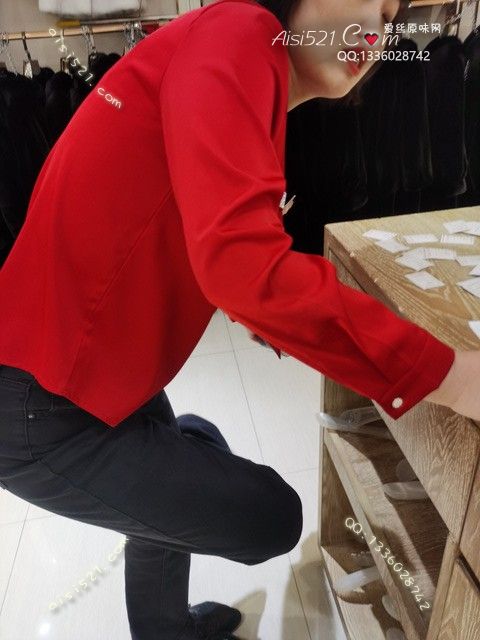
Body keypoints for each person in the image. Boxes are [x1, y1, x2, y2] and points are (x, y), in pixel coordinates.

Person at [0, 0, 478, 638]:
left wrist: (249, 293)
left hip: (92, 369)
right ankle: (181, 460)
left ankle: (164, 627)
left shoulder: (229, 47)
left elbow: (176, 213)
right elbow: (244, 264)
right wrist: (451, 375)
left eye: (393, 18)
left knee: (168, 506)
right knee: (269, 519)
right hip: (42, 397)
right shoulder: (241, 32)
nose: (377, 28)